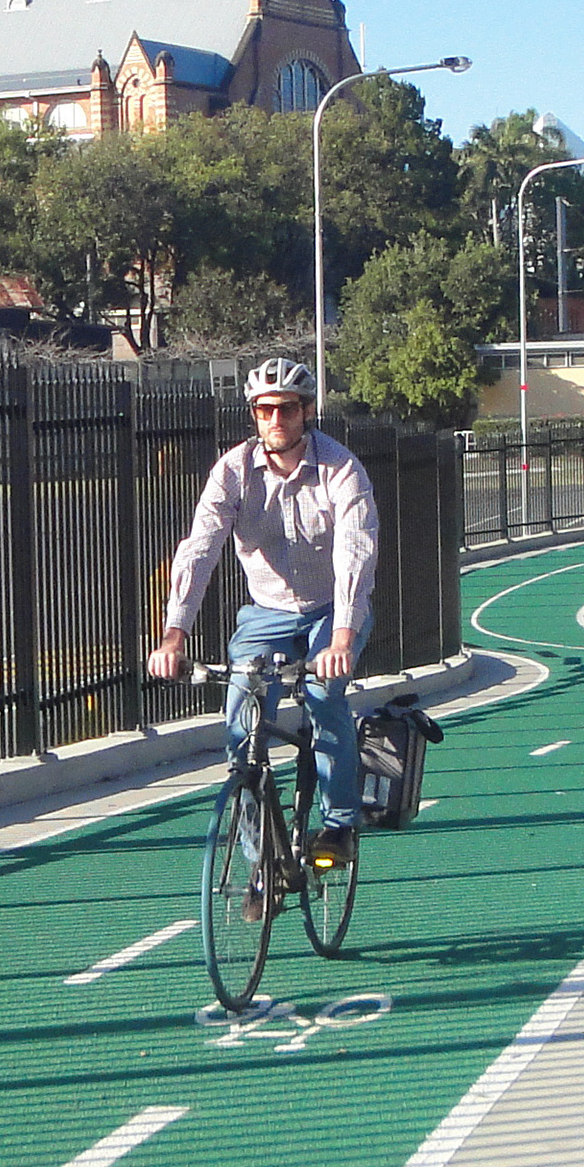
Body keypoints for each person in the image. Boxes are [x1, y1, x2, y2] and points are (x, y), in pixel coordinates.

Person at [149, 356, 379, 872]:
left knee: (324, 695)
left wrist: (341, 638)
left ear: (308, 412)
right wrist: (173, 635)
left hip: (331, 611)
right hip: (267, 613)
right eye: (265, 410)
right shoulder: (232, 472)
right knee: (242, 727)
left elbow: (355, 554)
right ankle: (263, 861)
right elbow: (200, 549)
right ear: (253, 415)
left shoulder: (341, 469)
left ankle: (339, 825)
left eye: (288, 409)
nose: (276, 421)